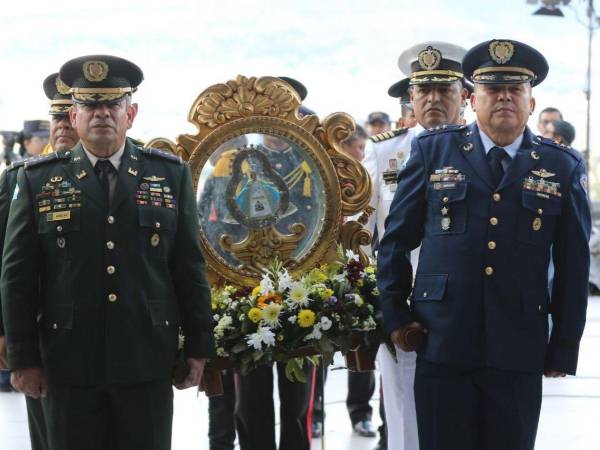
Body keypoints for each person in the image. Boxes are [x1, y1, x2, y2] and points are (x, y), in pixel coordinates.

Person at [377, 39, 590, 450]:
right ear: (474, 100)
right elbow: (396, 241)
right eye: (494, 90)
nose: (505, 98)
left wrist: (563, 346)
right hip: (441, 337)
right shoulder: (433, 149)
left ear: (531, 102)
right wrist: (396, 317)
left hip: (519, 343)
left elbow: (573, 264)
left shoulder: (561, 165)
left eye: (515, 90)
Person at [1, 54, 215, 450]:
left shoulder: (169, 174)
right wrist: (23, 357)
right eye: (89, 105)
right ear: (74, 116)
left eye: (112, 104)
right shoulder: (39, 179)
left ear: (130, 113)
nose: (101, 114)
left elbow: (188, 267)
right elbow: (17, 277)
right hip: (67, 360)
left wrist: (200, 348)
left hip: (146, 357)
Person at [366, 41, 471, 450]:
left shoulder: (477, 150)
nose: (433, 99)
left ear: (463, 95)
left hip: (461, 304)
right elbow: (359, 231)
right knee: (405, 418)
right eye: (423, 90)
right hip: (403, 304)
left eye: (444, 90)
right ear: (410, 97)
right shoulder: (384, 152)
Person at [0, 71, 79, 449]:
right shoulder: (20, 178)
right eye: (56, 117)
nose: (62, 126)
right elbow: (5, 264)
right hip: (42, 330)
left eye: (69, 116)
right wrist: (6, 335)